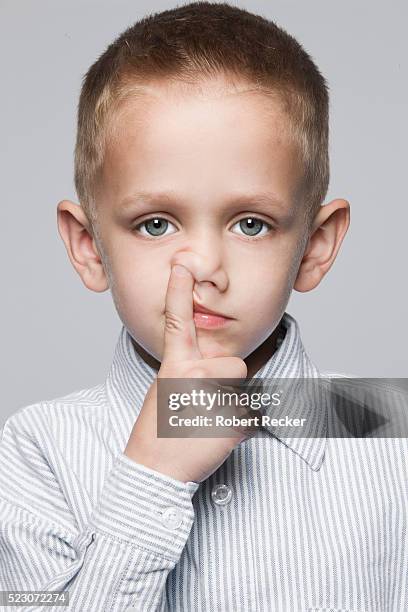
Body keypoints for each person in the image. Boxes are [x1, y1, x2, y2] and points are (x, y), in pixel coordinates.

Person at [1, 2, 406, 611]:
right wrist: (154, 475)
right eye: (156, 223)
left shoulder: (386, 428)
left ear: (315, 247)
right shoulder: (38, 449)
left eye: (251, 224)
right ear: (88, 247)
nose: (206, 268)